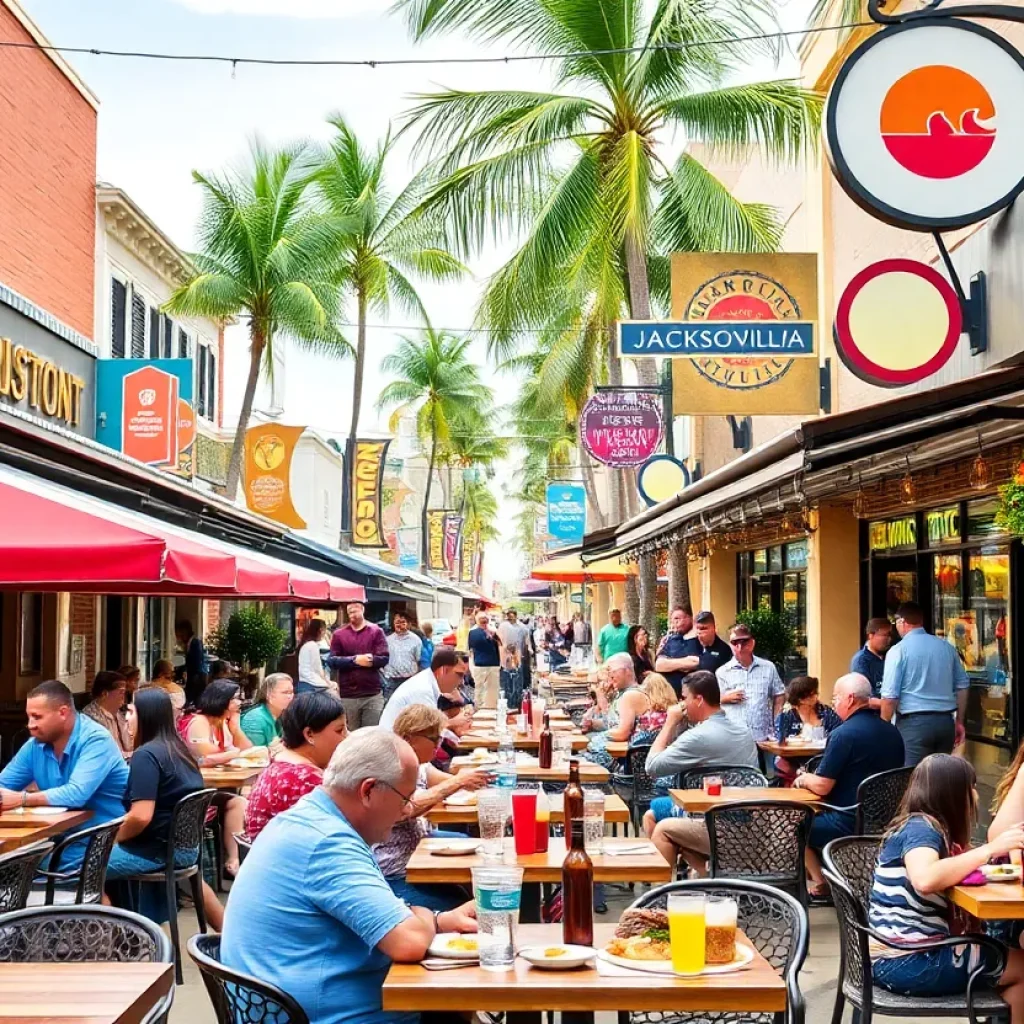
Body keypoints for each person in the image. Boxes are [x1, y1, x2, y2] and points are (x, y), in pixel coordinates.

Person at [221, 728, 478, 1024]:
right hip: (325, 1015)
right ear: (368, 791)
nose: (407, 810)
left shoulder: (308, 820)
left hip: (288, 1005)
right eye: (404, 798)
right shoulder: (327, 843)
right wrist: (420, 917)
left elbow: (379, 911)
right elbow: (409, 942)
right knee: (455, 1000)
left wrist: (437, 920)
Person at [868, 754, 1024, 1017]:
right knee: (1021, 968)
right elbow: (925, 878)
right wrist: (990, 850)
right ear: (951, 793)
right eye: (970, 788)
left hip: (900, 957)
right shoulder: (921, 829)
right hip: (907, 961)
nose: (975, 797)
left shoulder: (925, 828)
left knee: (1007, 957)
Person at [103, 688, 224, 930]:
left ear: (146, 715)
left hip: (157, 852)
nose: (126, 717)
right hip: (186, 849)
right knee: (192, 880)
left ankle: (120, 942)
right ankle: (230, 935)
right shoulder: (179, 750)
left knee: (87, 866)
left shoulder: (146, 755)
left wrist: (109, 841)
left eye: (131, 711)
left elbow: (140, 816)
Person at [794, 673, 905, 896]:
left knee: (794, 827)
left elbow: (823, 785)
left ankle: (821, 882)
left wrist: (803, 778)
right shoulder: (893, 733)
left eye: (836, 697)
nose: (833, 703)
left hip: (847, 820)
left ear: (850, 699)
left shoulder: (843, 735)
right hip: (886, 820)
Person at [0, 680, 129, 867]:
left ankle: (94, 896)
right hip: (61, 836)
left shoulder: (95, 740)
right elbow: (3, 785)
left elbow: (76, 794)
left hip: (103, 838)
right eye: (29, 717)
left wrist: (22, 799)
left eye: (37, 717)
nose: (30, 725)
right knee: (14, 863)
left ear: (63, 712)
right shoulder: (36, 745)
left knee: (21, 868)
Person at [375, 705, 492, 910]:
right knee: (460, 904)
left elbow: (443, 780)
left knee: (476, 851)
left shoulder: (419, 764)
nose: (438, 745)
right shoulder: (390, 767)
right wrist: (459, 782)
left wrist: (479, 782)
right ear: (409, 738)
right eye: (433, 739)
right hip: (396, 870)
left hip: (418, 846)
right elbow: (407, 808)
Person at [643, 671, 758, 874]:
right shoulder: (743, 730)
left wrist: (669, 722)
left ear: (699, 699)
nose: (682, 703)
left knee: (662, 828)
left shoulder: (698, 736)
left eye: (684, 697)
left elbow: (652, 767)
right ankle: (706, 875)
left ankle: (660, 897)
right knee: (655, 811)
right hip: (751, 821)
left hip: (717, 825)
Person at [244, 691, 348, 840]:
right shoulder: (305, 779)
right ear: (309, 734)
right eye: (340, 730)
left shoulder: (280, 764)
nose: (346, 737)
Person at [181, 679, 255, 877]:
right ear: (221, 699)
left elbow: (246, 750)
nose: (240, 703)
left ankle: (233, 859)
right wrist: (231, 753)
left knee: (238, 802)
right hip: (192, 790)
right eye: (236, 698)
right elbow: (204, 756)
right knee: (236, 799)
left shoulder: (222, 723)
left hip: (211, 787)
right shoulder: (199, 722)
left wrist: (236, 728)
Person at [881, 600, 969, 766]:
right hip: (945, 722)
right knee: (941, 778)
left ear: (902, 622)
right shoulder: (946, 647)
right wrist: (959, 721)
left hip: (914, 724)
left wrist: (884, 726)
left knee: (913, 779)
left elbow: (890, 696)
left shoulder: (898, 650)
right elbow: (962, 686)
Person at [716, 622, 785, 742]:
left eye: (744, 642)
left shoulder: (768, 667)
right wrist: (725, 698)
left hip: (763, 736)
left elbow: (779, 694)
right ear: (729, 645)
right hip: (734, 738)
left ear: (752, 643)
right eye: (735, 642)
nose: (740, 647)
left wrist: (776, 724)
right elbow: (711, 703)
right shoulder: (722, 672)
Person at [327, 600, 390, 730]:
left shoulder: (376, 631)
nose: (351, 615)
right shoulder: (339, 634)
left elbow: (384, 658)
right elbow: (332, 661)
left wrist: (371, 660)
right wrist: (354, 660)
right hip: (348, 695)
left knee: (371, 733)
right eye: (349, 612)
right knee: (351, 734)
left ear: (362, 610)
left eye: (354, 611)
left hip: (372, 693)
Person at [581, 653, 651, 768]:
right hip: (610, 755)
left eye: (612, 671)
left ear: (627, 670)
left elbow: (622, 733)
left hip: (620, 762)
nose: (610, 676)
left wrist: (594, 739)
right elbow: (613, 725)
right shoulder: (622, 693)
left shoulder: (631, 695)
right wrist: (592, 724)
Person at [379, 646, 470, 731]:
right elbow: (426, 730)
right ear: (443, 671)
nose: (462, 681)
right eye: (459, 675)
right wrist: (453, 723)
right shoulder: (422, 689)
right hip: (393, 744)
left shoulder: (426, 682)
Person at [772, 675, 842, 783]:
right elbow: (778, 739)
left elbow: (838, 732)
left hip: (820, 759)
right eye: (812, 693)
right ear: (801, 699)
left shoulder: (825, 712)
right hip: (793, 761)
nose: (816, 695)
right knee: (780, 762)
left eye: (815, 692)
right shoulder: (787, 715)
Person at [82, 670, 132, 756]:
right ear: (105, 694)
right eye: (121, 692)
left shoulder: (118, 714)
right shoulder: (90, 718)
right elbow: (106, 753)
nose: (123, 697)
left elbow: (129, 744)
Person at [240, 672, 295, 746]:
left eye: (291, 692)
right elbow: (254, 753)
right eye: (285, 692)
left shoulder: (286, 714)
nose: (290, 696)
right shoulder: (254, 718)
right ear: (269, 695)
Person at [654, 606, 695, 695]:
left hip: (693, 694)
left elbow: (699, 662)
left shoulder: (699, 639)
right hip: (671, 695)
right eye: (672, 620)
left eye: (677, 618)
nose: (674, 622)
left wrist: (670, 663)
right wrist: (685, 663)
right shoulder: (670, 640)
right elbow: (659, 665)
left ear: (689, 618)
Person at [851, 616, 892, 704]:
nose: (888, 639)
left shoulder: (890, 656)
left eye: (890, 635)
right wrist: (886, 704)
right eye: (885, 635)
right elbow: (862, 694)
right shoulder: (861, 660)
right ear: (871, 635)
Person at [383, 613, 422, 702]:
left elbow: (418, 659)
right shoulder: (387, 640)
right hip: (391, 680)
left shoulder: (416, 640)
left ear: (408, 624)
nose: (399, 625)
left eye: (403, 622)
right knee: (391, 704)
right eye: (397, 622)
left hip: (409, 679)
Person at [467, 611, 501, 709]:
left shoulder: (473, 632)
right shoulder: (492, 632)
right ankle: (486, 708)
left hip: (482, 664)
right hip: (487, 664)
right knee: (488, 689)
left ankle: (484, 708)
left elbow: (470, 650)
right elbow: (499, 646)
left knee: (484, 689)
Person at [498, 609, 532, 702]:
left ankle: (517, 700)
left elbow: (527, 640)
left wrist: (529, 650)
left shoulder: (522, 627)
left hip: (517, 656)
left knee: (517, 679)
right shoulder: (502, 626)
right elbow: (498, 640)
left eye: (512, 616)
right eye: (509, 615)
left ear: (516, 616)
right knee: (506, 679)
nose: (510, 617)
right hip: (505, 657)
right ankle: (508, 700)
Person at [175, 619, 208, 706]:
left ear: (185, 632)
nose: (179, 637)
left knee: (195, 701)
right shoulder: (189, 644)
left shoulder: (195, 643)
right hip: (194, 677)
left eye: (181, 634)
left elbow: (196, 663)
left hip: (197, 678)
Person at [298, 619, 335, 695]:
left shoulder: (306, 644)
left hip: (307, 680)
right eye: (325, 631)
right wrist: (328, 683)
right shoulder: (312, 645)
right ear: (321, 630)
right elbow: (318, 669)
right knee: (335, 688)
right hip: (313, 683)